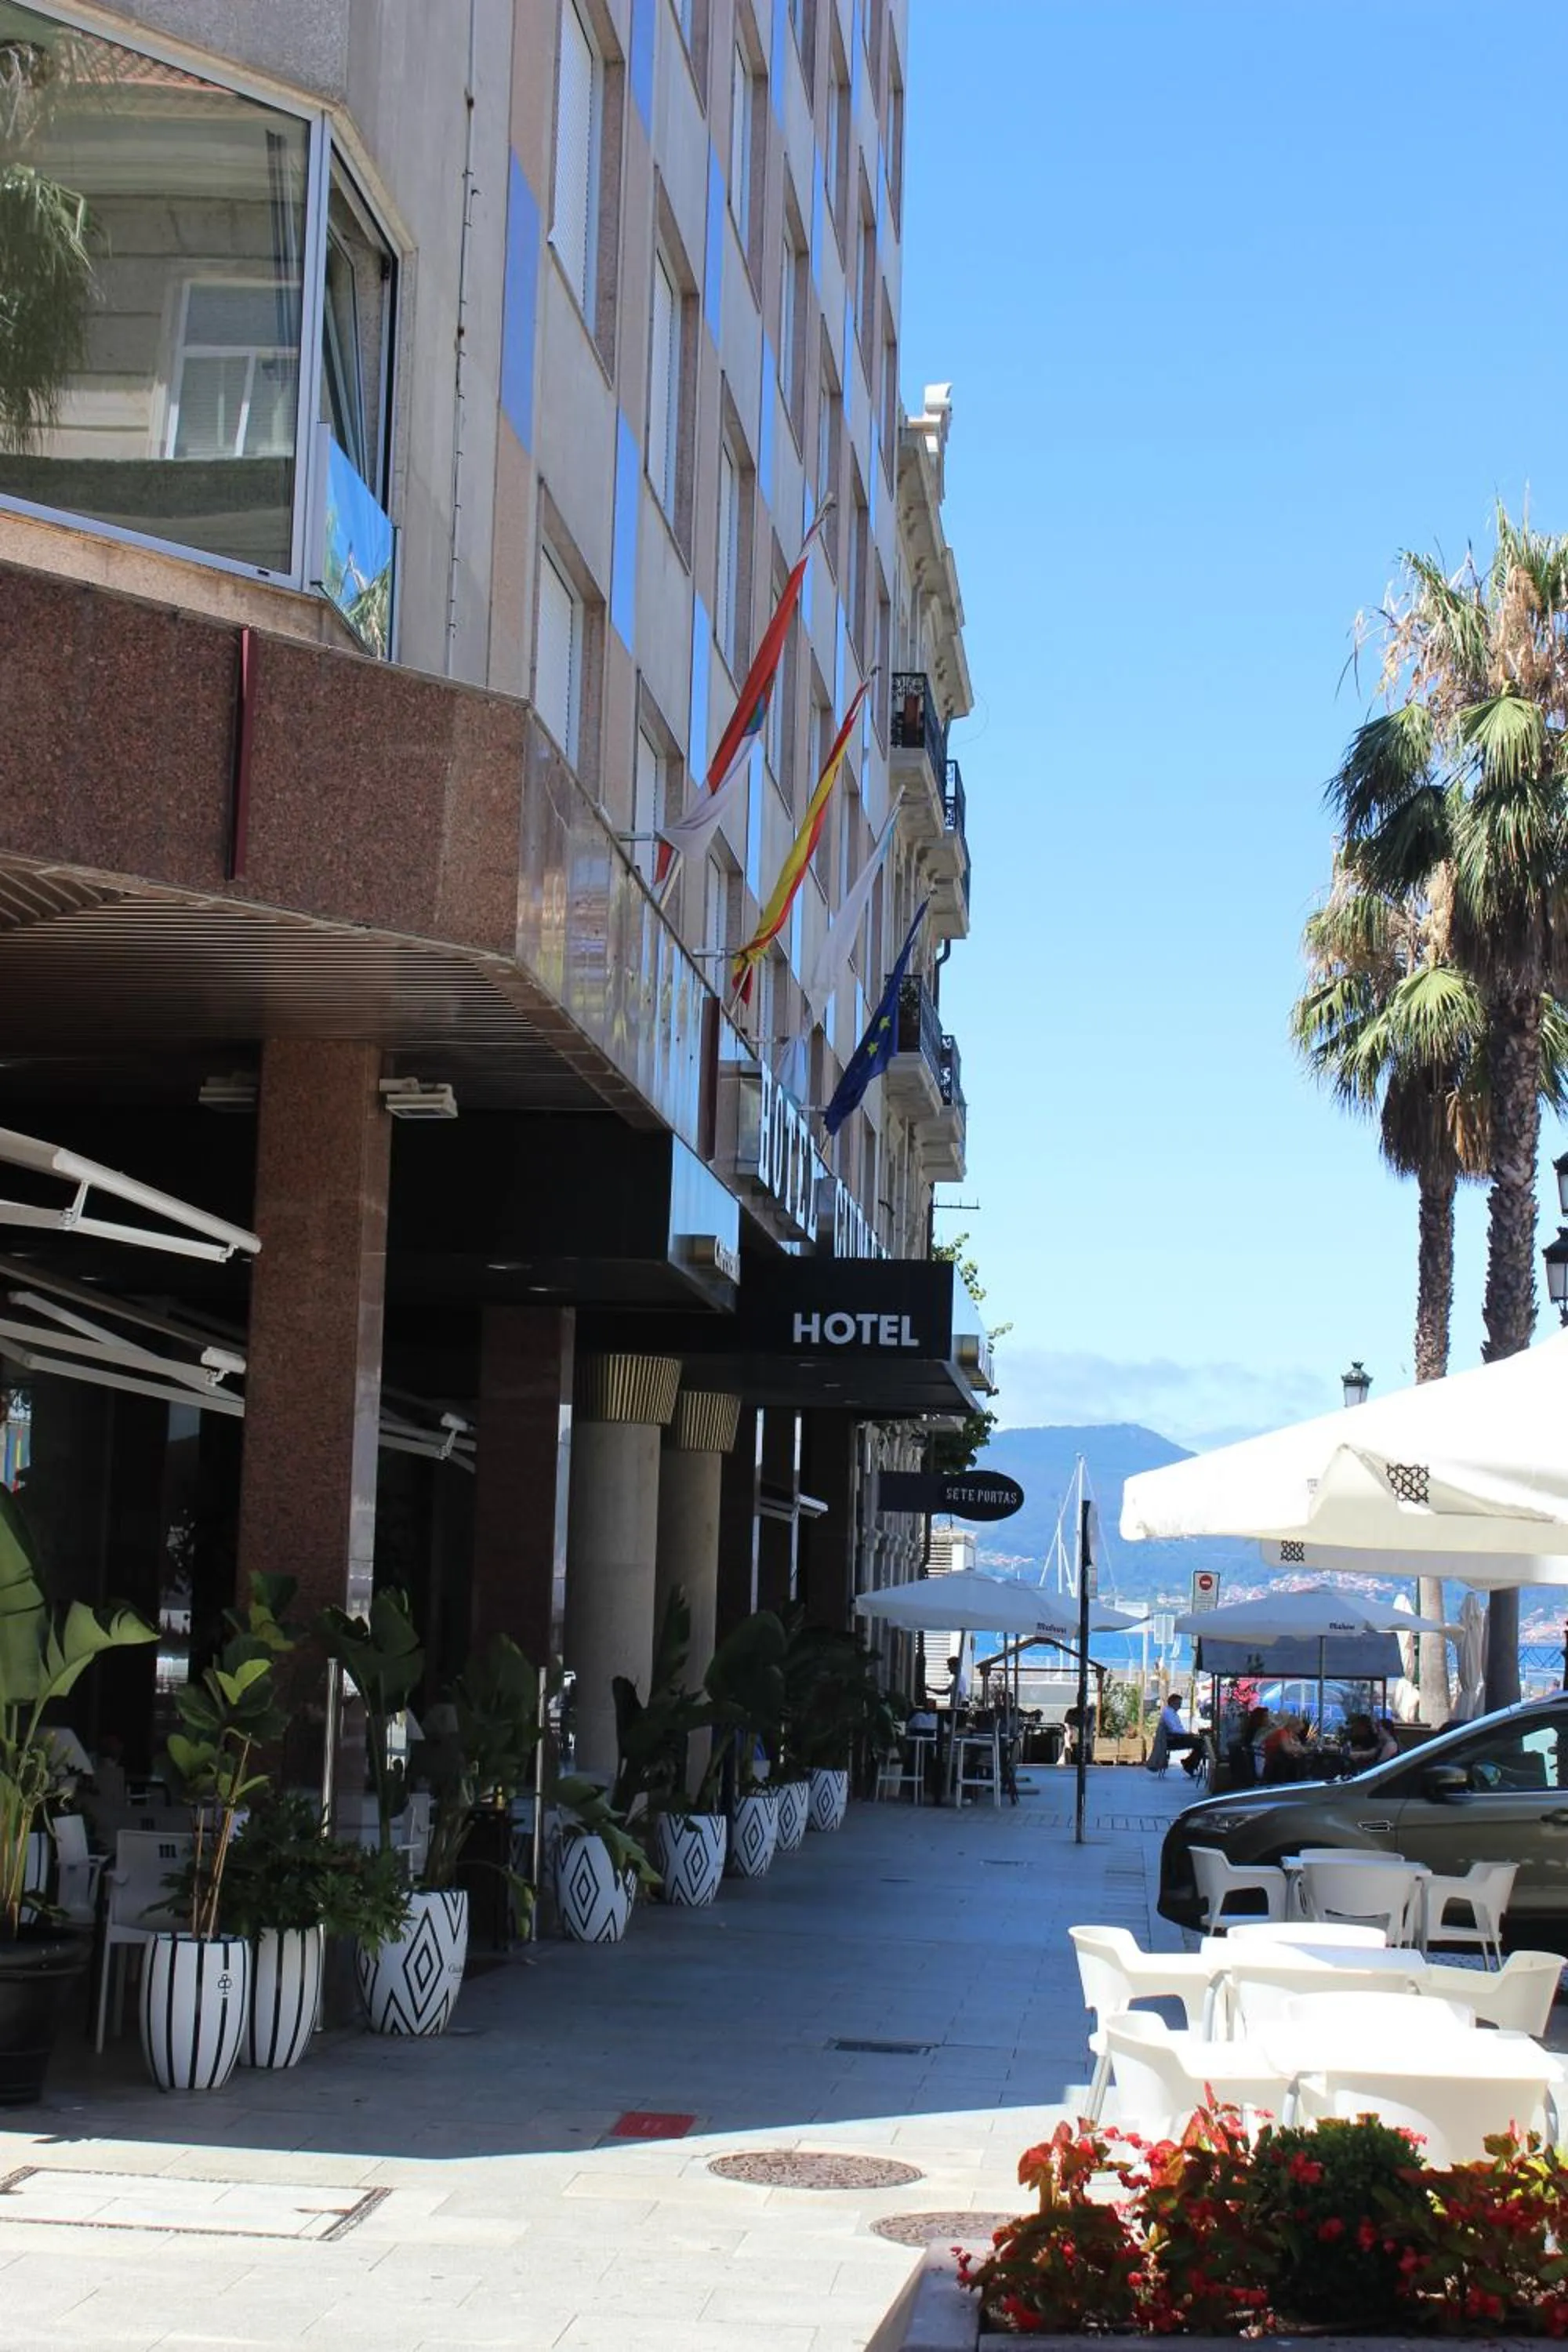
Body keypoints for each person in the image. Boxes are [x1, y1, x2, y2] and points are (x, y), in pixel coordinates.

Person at [1156, 1692, 1204, 1777]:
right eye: (1178, 1704)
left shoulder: (1173, 1713)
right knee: (1201, 1743)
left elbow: (1179, 1729)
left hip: (1176, 1737)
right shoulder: (1168, 1713)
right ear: (1172, 1703)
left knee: (1200, 1741)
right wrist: (1188, 1734)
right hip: (1171, 1740)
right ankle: (1189, 1764)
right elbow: (1174, 1729)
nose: (1180, 1706)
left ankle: (1189, 1763)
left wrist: (1189, 1734)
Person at [1227, 1705, 1271, 1784]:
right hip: (1259, 1766)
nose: (1269, 1719)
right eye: (1267, 1716)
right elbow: (1257, 1746)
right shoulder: (1260, 1731)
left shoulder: (1252, 1731)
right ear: (1260, 1718)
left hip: (1255, 1763)